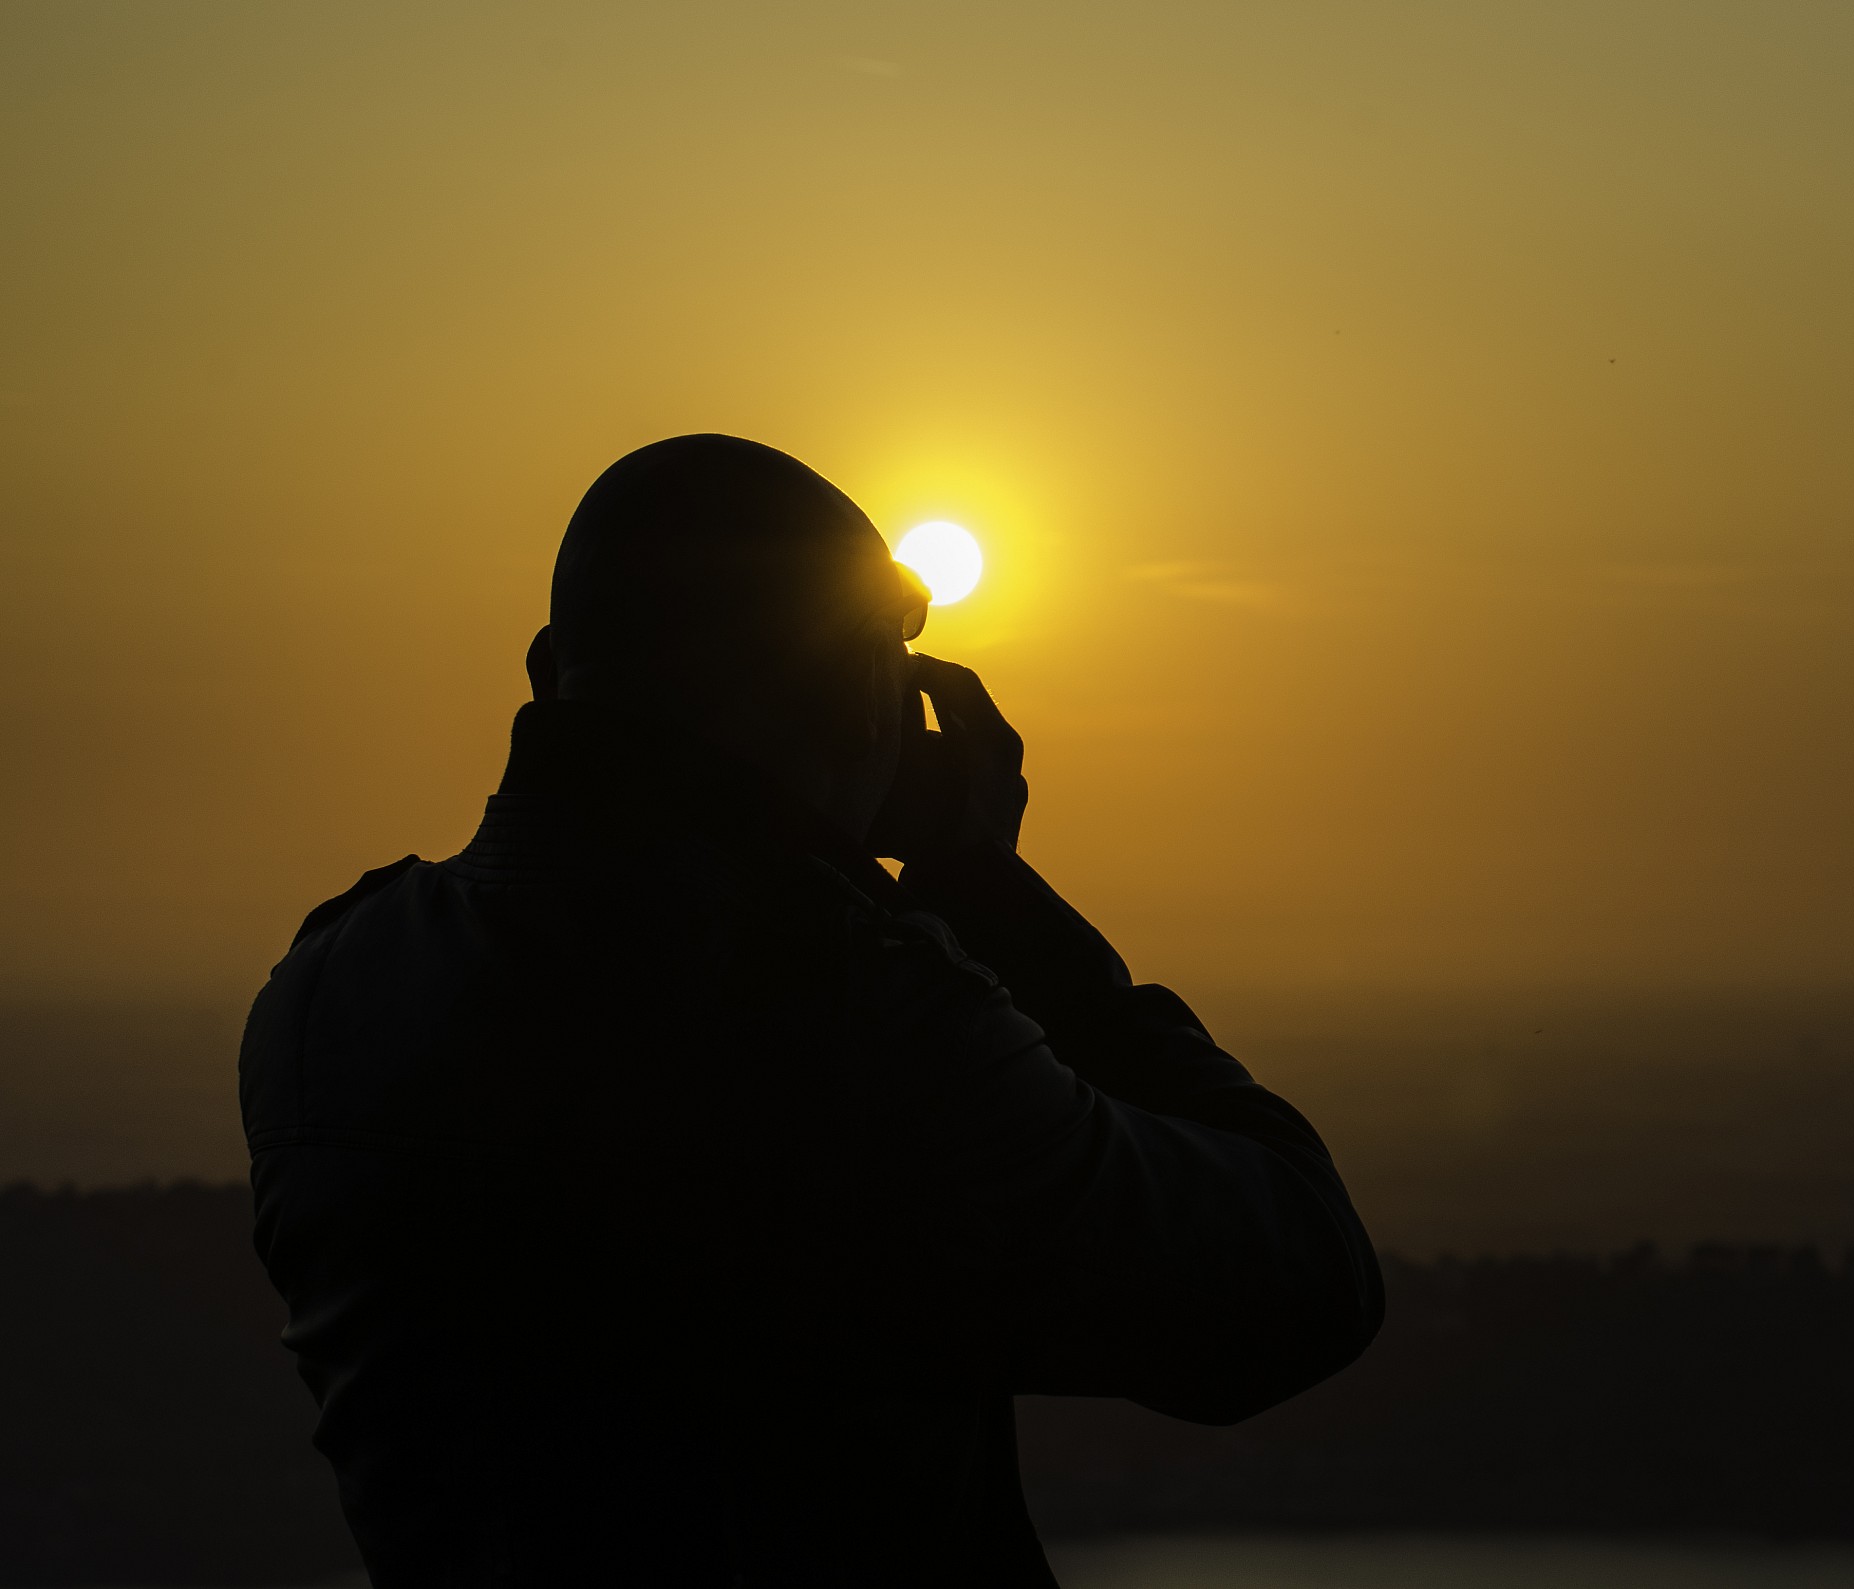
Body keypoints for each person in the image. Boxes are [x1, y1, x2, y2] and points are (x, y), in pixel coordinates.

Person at [238, 435, 1383, 1587]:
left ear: (548, 668)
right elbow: (1298, 1282)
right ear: (857, 696)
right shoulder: (859, 1017)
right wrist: (985, 884)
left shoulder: (329, 986)